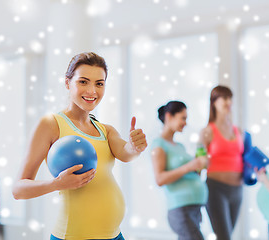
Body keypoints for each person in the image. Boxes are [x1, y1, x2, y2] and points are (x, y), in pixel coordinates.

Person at [12, 52, 147, 240]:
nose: (92, 91)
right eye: (83, 82)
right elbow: (18, 190)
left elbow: (126, 154)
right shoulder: (50, 124)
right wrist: (56, 184)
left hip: (115, 235)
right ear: (67, 83)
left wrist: (135, 146)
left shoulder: (105, 130)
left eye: (99, 83)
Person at [151, 101, 208, 240]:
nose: (185, 123)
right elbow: (160, 179)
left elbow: (191, 174)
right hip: (181, 209)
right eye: (183, 118)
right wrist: (189, 166)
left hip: (194, 207)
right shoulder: (159, 145)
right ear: (169, 116)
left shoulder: (180, 146)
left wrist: (199, 166)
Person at [199, 85, 244, 240]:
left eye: (230, 98)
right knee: (224, 237)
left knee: (227, 236)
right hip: (216, 190)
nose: (228, 101)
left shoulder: (239, 131)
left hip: (237, 191)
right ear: (214, 102)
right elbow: (199, 162)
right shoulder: (207, 131)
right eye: (224, 98)